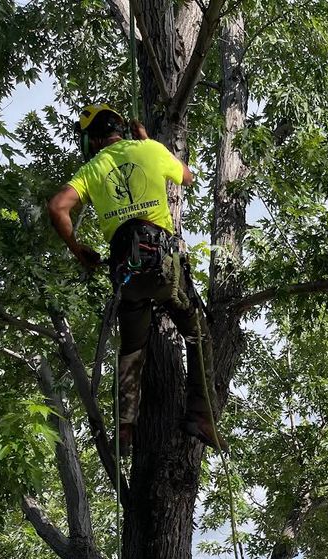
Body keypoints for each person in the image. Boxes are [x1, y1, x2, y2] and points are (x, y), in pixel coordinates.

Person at [48, 103, 219, 455]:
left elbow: (58, 207)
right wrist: (148, 142)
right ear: (120, 131)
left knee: (131, 350)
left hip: (127, 275)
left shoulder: (92, 168)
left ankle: (126, 428)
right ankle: (200, 415)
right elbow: (188, 176)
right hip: (164, 268)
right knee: (197, 333)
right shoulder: (151, 150)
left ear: (93, 141)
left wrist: (78, 250)